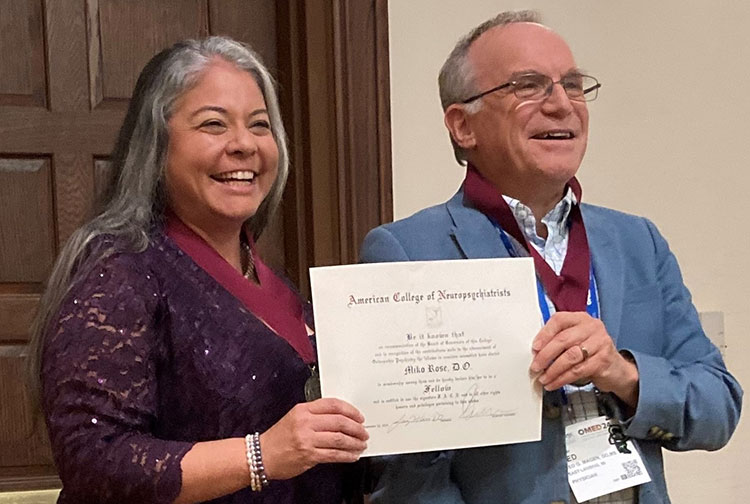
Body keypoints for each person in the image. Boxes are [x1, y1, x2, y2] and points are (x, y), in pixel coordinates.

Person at [359, 10, 742, 504]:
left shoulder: (637, 241)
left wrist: (622, 373)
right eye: (528, 86)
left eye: (573, 85)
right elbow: (403, 470)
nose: (561, 104)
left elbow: (718, 407)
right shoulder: (406, 253)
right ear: (462, 125)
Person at [27, 36, 368, 504]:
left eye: (260, 125)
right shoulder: (119, 270)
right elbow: (95, 460)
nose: (244, 145)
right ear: (156, 144)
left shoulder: (273, 280)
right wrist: (260, 455)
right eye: (213, 124)